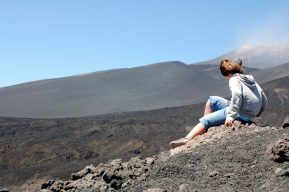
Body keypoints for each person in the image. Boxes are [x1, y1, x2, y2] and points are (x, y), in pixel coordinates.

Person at [169, 58, 268, 149]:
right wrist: (257, 113)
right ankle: (206, 129)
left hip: (240, 113)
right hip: (249, 113)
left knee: (206, 120)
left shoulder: (233, 79)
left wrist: (230, 116)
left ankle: (188, 139)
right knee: (212, 100)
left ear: (225, 73)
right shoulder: (251, 80)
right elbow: (264, 98)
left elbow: (237, 95)